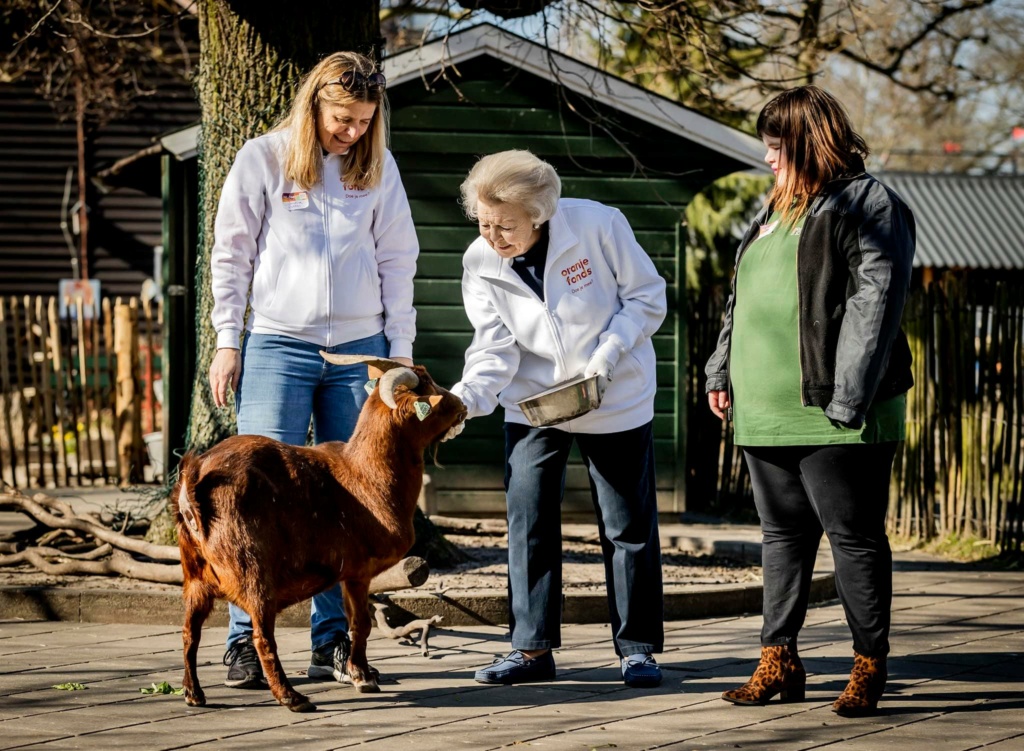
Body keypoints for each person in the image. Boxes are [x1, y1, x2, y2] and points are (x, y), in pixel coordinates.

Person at [207, 51, 418, 690]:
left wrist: (400, 355)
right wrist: (227, 339)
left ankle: (332, 643)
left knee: (350, 499)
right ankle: (246, 638)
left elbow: (398, 258)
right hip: (276, 343)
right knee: (253, 493)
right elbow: (232, 252)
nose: (352, 131)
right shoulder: (263, 158)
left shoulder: (377, 169)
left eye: (363, 121)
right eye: (341, 118)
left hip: (362, 349)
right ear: (313, 105)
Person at [705, 86, 915, 716]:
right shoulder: (774, 210)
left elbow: (875, 302)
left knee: (852, 536)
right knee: (781, 538)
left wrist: (847, 398)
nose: (767, 158)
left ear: (807, 140)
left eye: (776, 146)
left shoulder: (867, 201)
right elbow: (742, 300)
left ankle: (868, 664)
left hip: (835, 408)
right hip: (764, 410)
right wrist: (722, 370)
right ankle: (779, 660)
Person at [444, 149, 667, 688]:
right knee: (528, 522)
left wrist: (609, 355)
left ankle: (637, 649)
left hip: (614, 394)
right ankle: (531, 649)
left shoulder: (598, 225)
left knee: (626, 525)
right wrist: (465, 399)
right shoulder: (480, 261)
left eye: (506, 226)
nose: (493, 237)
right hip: (534, 403)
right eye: (483, 222)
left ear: (541, 213)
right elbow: (494, 346)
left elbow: (646, 296)